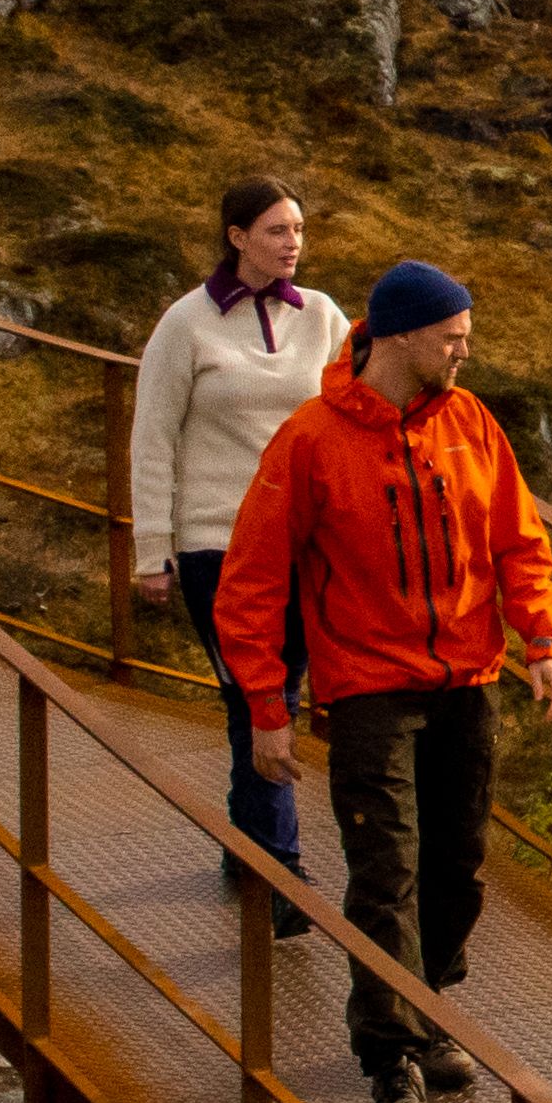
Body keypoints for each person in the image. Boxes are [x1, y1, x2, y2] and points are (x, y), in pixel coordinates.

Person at [217, 258, 552, 1103]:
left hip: (467, 683)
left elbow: (518, 541)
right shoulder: (310, 438)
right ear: (404, 334)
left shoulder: (472, 423)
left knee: (459, 865)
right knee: (387, 873)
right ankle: (391, 1059)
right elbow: (252, 578)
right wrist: (267, 703)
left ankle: (429, 1001)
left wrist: (544, 643)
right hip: (369, 691)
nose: (464, 349)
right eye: (453, 336)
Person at [127, 180, 340, 915]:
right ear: (236, 235)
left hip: (302, 541)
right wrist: (152, 547)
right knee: (260, 698)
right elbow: (152, 436)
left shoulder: (323, 318)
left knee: (275, 694)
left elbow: (353, 413)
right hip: (216, 540)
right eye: (277, 229)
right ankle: (275, 876)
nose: (292, 243)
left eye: (300, 230)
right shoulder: (185, 325)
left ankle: (246, 845)